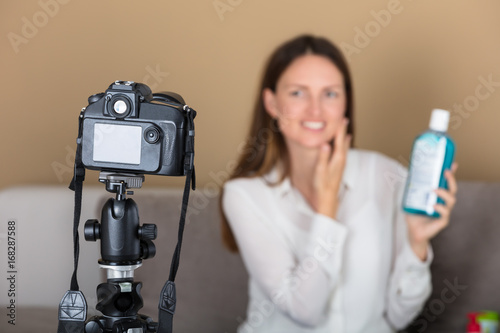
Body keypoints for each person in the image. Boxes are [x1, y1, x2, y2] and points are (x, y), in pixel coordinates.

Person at [220, 34, 458, 333]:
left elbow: (397, 318)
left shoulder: (388, 175)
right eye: (297, 93)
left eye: (330, 94)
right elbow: (303, 310)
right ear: (271, 102)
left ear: (346, 102)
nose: (315, 110)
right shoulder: (244, 195)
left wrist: (417, 243)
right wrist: (328, 206)